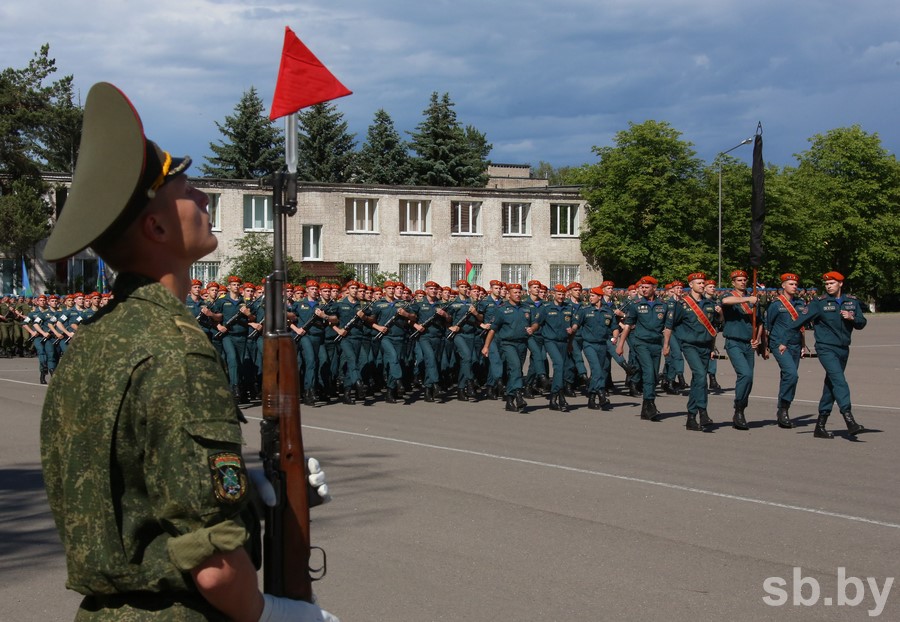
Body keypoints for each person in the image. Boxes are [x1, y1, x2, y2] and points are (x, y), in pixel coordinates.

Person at [39, 82, 337, 622]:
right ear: (155, 226)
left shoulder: (97, 339)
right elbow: (213, 560)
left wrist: (239, 489)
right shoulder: (174, 351)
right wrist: (275, 614)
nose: (202, 198)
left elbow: (136, 491)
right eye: (185, 190)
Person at [790, 271, 869, 439]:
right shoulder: (819, 303)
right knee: (839, 380)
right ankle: (849, 419)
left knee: (831, 385)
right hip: (826, 348)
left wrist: (852, 317)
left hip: (843, 348)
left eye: (832, 283)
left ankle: (820, 425)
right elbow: (798, 322)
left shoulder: (852, 302)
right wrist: (782, 341)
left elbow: (862, 323)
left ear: (840, 284)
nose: (828, 286)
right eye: (826, 284)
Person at [664, 274, 719, 431]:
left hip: (706, 346)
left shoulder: (709, 304)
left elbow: (713, 328)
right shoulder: (682, 304)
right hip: (690, 345)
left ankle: (691, 416)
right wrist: (666, 345)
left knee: (698, 381)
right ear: (691, 284)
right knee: (701, 376)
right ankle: (703, 411)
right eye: (699, 283)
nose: (702, 285)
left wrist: (713, 348)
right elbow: (669, 325)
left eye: (703, 282)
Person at [616, 276, 667, 421]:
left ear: (654, 288)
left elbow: (668, 327)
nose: (643, 289)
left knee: (654, 375)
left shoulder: (663, 305)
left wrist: (666, 345)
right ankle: (650, 403)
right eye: (642, 287)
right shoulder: (635, 304)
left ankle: (646, 407)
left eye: (647, 287)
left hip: (656, 343)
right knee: (649, 372)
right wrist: (621, 344)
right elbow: (627, 325)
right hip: (641, 343)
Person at [720, 269, 764, 430]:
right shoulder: (728, 296)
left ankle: (741, 409)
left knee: (749, 378)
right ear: (733, 282)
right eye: (739, 280)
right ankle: (738, 409)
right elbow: (726, 302)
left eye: (744, 280)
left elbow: (759, 322)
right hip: (734, 341)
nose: (742, 282)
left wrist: (757, 339)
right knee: (744, 373)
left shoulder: (753, 300)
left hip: (748, 343)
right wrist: (748, 299)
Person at [765, 273, 807, 429]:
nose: (794, 286)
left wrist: (803, 345)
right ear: (783, 286)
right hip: (780, 345)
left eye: (796, 284)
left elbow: (802, 328)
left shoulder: (800, 304)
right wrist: (767, 347)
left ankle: (784, 408)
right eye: (791, 284)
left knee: (789, 378)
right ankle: (783, 409)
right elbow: (768, 326)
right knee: (791, 374)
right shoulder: (776, 304)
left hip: (796, 344)